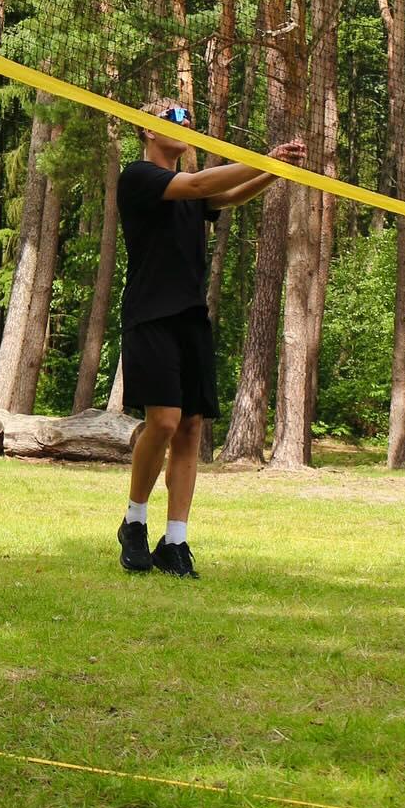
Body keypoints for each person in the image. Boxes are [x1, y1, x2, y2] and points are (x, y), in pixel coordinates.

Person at [115, 102, 306, 578]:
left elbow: (227, 196)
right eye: (171, 117)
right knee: (162, 420)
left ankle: (174, 541)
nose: (183, 125)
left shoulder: (192, 192)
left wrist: (275, 169)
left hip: (191, 317)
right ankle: (134, 522)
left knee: (191, 429)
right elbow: (200, 185)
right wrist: (265, 159)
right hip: (149, 313)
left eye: (187, 119)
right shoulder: (138, 177)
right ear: (146, 128)